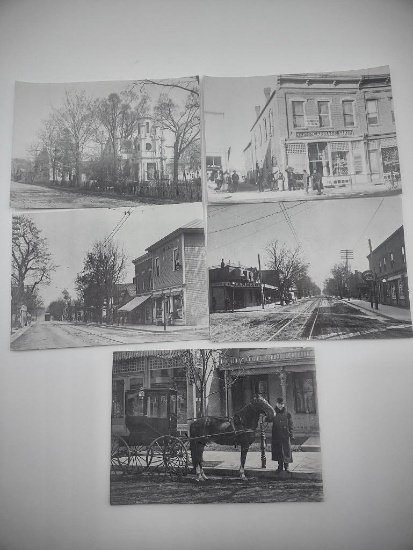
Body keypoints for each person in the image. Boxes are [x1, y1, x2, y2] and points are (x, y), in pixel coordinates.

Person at [271, 397, 293, 473]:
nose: (280, 405)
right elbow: (268, 419)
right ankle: (280, 467)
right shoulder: (273, 413)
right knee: (279, 451)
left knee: (286, 451)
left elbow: (291, 425)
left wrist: (291, 434)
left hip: (285, 436)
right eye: (278, 404)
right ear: (276, 404)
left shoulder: (287, 414)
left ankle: (286, 467)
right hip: (277, 436)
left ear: (283, 405)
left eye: (281, 404)